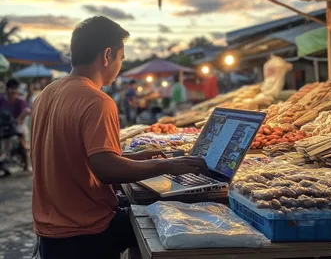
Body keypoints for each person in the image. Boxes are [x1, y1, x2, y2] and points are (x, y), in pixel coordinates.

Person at [31, 16, 208, 259]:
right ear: (107, 55)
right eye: (121, 58)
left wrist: (135, 157)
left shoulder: (47, 93)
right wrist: (167, 165)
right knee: (177, 222)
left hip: (50, 235)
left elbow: (75, 157)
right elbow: (106, 170)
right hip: (86, 233)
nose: (120, 66)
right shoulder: (97, 101)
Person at [0, 79, 30, 172]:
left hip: (17, 125)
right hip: (3, 125)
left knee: (22, 141)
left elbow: (27, 110)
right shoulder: (1, 99)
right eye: (11, 89)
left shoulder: (20, 101)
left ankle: (27, 164)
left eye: (15, 89)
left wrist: (18, 119)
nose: (13, 91)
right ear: (6, 89)